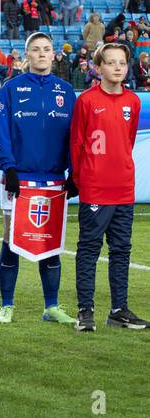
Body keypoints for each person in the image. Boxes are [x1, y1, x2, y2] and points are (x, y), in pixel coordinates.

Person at [0, 32, 76, 326]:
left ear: (54, 55)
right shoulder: (11, 89)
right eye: (36, 50)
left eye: (47, 49)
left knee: (50, 242)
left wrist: (73, 171)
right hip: (18, 179)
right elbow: (0, 131)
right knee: (11, 239)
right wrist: (9, 168)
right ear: (27, 56)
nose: (41, 54)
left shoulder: (66, 91)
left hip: (53, 180)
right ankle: (6, 306)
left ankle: (51, 306)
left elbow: (73, 138)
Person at [70, 43, 148, 332]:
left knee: (121, 250)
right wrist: (78, 178)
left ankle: (118, 310)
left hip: (124, 187)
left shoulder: (133, 101)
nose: (118, 68)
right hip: (95, 188)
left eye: (122, 63)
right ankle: (85, 311)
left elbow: (126, 142)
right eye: (111, 62)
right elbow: (77, 142)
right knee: (89, 249)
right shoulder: (87, 101)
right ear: (98, 67)